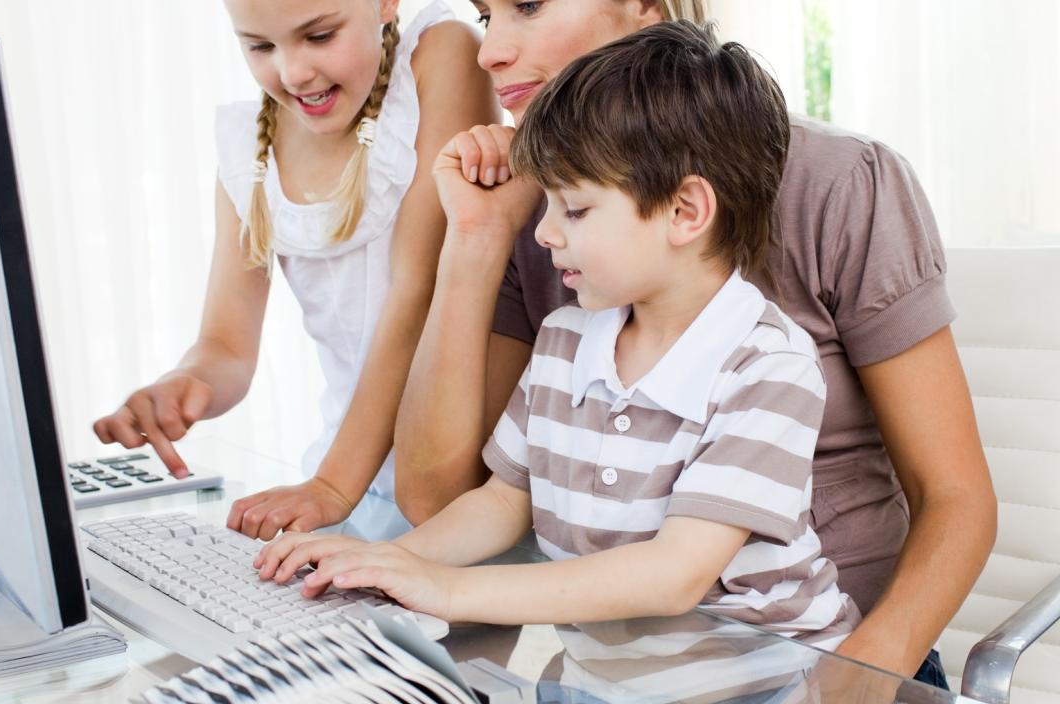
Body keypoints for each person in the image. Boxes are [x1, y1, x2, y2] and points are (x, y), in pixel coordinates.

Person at [393, 0, 994, 685]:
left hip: (812, 673)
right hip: (620, 672)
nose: (488, 52)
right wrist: (475, 236)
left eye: (528, 5)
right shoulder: (562, 292)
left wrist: (865, 675)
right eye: (484, 15)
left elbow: (956, 496)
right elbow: (477, 499)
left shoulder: (780, 326)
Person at [253, 21, 861, 649]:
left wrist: (447, 589)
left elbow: (673, 576)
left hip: (775, 676)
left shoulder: (769, 365)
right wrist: (385, 561)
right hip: (622, 676)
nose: (544, 232)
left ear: (685, 212)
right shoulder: (566, 339)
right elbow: (502, 502)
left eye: (575, 209)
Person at [92, 0, 497, 541]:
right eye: (261, 46)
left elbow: (419, 289)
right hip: (355, 488)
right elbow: (226, 346)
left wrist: (333, 485)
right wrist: (186, 384)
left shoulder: (442, 53)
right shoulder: (249, 151)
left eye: (320, 36)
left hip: (469, 487)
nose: (293, 73)